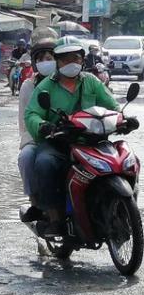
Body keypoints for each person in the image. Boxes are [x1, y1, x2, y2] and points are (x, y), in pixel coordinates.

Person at [25, 36, 121, 235]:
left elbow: (112, 105)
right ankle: (55, 219)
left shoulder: (92, 82)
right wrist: (43, 126)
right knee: (44, 162)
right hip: (59, 142)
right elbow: (31, 114)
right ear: (57, 61)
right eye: (65, 58)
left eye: (75, 58)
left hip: (92, 141)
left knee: (123, 160)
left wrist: (124, 118)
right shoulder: (46, 86)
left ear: (82, 60)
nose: (71, 62)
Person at [17, 38, 56, 222]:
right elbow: (25, 119)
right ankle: (35, 202)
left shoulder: (68, 81)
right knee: (26, 157)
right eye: (41, 59)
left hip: (67, 134)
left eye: (49, 58)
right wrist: (39, 130)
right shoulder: (29, 85)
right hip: (37, 136)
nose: (45, 62)